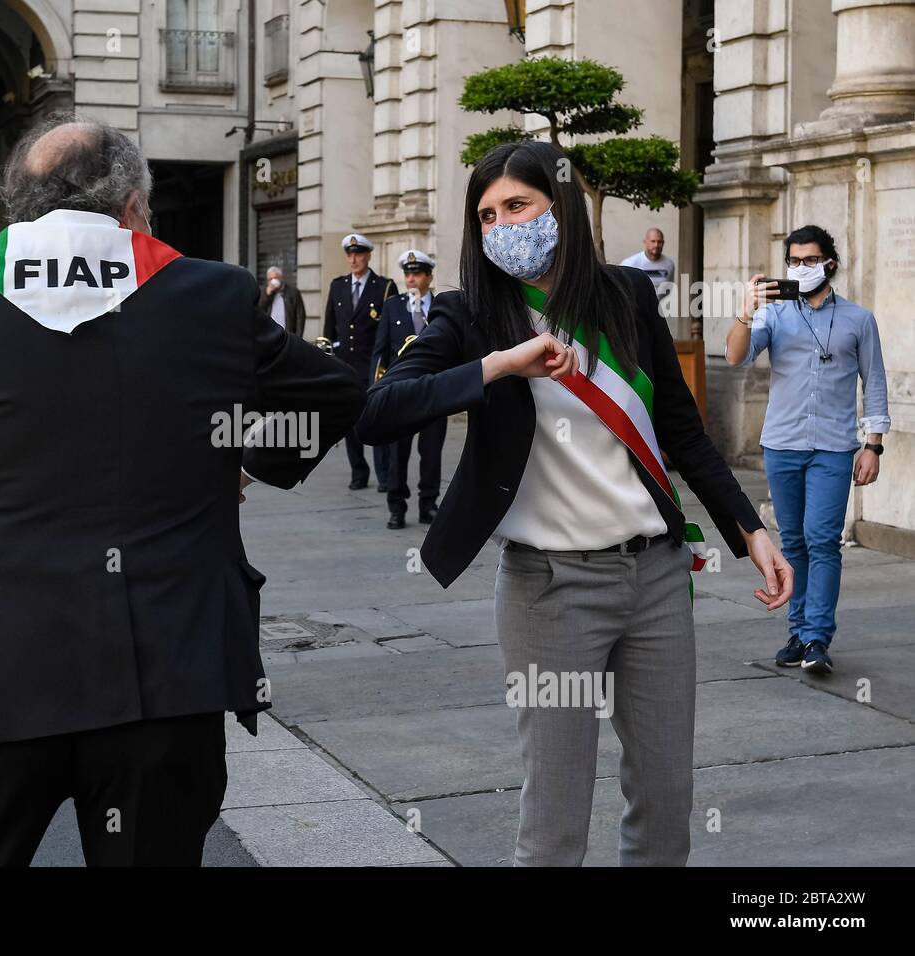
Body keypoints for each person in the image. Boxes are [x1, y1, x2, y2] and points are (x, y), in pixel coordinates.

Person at [0, 114, 365, 867]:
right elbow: (334, 394)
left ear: (19, 211)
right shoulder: (212, 296)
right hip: (163, 687)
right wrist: (233, 456)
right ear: (132, 206)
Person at [357, 139, 792, 866]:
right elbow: (377, 411)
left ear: (560, 209)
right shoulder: (470, 317)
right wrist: (500, 365)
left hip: (654, 577)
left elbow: (682, 431)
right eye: (487, 216)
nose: (503, 227)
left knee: (663, 806)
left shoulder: (626, 295)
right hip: (546, 591)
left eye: (518, 207)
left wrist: (749, 529)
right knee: (555, 817)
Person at [725, 225, 889, 675]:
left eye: (810, 260)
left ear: (829, 263)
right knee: (793, 541)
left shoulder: (858, 319)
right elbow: (736, 356)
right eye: (794, 261)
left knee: (823, 541)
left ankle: (818, 636)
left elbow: (874, 382)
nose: (801, 268)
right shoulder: (775, 315)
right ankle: (797, 632)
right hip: (782, 443)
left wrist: (874, 445)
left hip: (835, 448)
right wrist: (746, 312)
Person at [370, 250, 446, 530]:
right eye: (407, 274)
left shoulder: (441, 306)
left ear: (429, 277)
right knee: (397, 454)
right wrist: (374, 387)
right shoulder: (392, 306)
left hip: (435, 390)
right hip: (400, 391)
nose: (411, 279)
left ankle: (428, 503)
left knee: (432, 452)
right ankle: (396, 506)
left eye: (417, 274)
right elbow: (381, 351)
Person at [323, 233, 397, 490]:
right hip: (345, 366)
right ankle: (358, 471)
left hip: (374, 366)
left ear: (368, 255)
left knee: (378, 418)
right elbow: (329, 329)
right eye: (350, 254)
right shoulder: (338, 286)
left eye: (359, 254)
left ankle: (384, 474)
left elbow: (389, 331)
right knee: (349, 421)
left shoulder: (384, 286)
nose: (354, 259)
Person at [620, 228, 675, 297]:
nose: (656, 245)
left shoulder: (669, 264)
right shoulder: (629, 263)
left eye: (659, 242)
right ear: (645, 242)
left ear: (663, 243)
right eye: (653, 241)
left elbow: (669, 288)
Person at [260, 265, 306, 336]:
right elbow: (259, 311)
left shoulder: (293, 292)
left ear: (281, 278)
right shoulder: (264, 293)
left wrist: (298, 338)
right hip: (270, 335)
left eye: (275, 278)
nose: (273, 281)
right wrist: (267, 295)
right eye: (270, 279)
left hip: (287, 335)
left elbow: (300, 316)